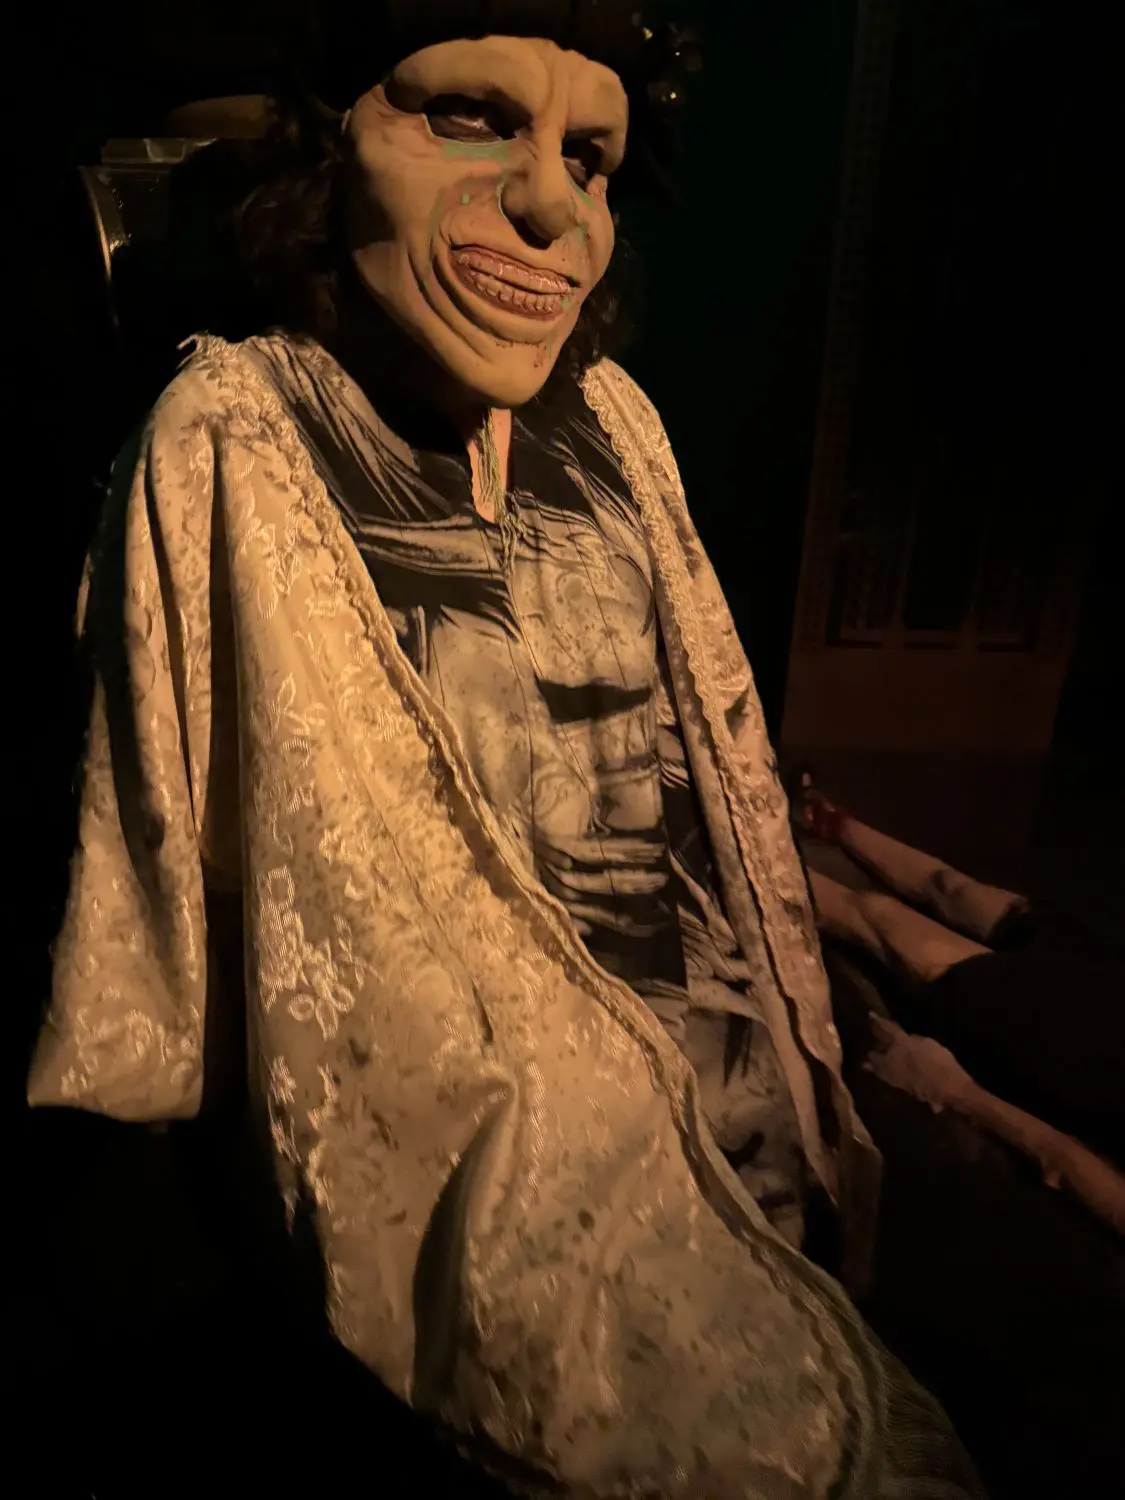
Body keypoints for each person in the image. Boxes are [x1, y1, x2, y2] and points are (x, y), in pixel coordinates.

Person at [26, 5, 984, 1496]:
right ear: (332, 146)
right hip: (498, 1185)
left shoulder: (612, 421)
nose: (549, 203)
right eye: (470, 118)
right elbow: (217, 929)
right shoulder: (238, 433)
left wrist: (795, 1067)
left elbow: (711, 782)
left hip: (734, 1122)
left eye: (590, 157)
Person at [794, 770, 1125, 1233]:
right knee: (951, 886)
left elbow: (1076, 1168)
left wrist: (959, 1092)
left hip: (1077, 1050)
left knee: (873, 914)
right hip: (1104, 978)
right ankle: (826, 819)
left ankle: (728, 852)